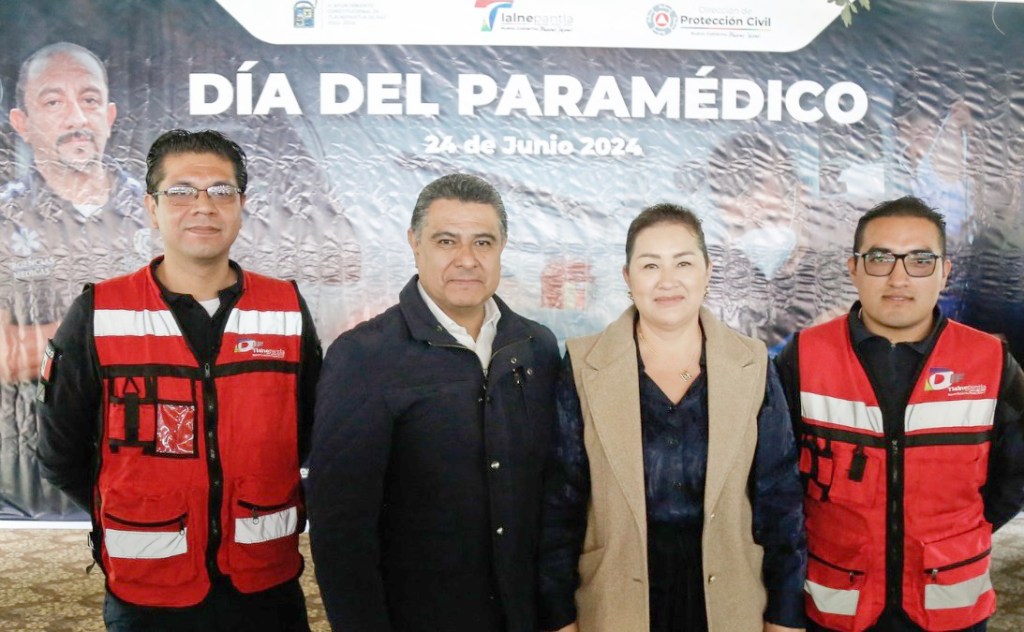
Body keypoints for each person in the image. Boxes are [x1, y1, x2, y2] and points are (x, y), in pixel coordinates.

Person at [36, 129, 321, 631]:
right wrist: (140, 509)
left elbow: (314, 437)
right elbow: (62, 456)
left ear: (242, 205)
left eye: (221, 191)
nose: (203, 206)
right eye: (181, 191)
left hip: (265, 587)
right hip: (147, 594)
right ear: (152, 207)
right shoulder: (100, 313)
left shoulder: (285, 310)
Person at [307, 173, 560, 632]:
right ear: (415, 243)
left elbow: (554, 498)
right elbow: (341, 533)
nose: (466, 259)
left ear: (503, 247)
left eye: (483, 242)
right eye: (446, 241)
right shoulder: (364, 356)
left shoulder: (536, 347)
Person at [538, 203, 806, 632]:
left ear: (707, 272)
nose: (667, 281)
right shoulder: (584, 365)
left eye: (683, 263)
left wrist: (785, 617)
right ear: (628, 278)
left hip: (730, 602)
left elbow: (780, 502)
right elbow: (560, 505)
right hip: (616, 604)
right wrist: (559, 619)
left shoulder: (752, 364)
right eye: (650, 265)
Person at [775, 196, 1024, 631]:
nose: (899, 277)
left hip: (950, 606)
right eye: (880, 259)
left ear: (945, 272)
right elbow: (774, 485)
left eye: (920, 260)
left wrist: (961, 532)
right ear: (853, 269)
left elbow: (1014, 477)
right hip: (836, 605)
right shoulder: (804, 358)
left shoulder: (990, 362)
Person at [0, 42, 151, 519]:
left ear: (109, 115)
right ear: (21, 123)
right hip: (31, 492)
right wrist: (124, 325)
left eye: (89, 99)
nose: (76, 117)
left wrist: (48, 340)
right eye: (53, 101)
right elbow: (4, 356)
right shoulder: (4, 219)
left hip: (151, 474)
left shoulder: (160, 213)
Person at [696, 131, 855, 355]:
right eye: (740, 228)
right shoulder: (715, 285)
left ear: (801, 195)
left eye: (769, 220)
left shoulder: (845, 279)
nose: (760, 241)